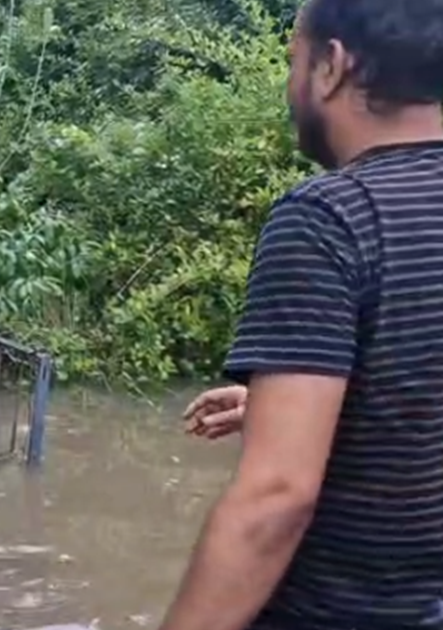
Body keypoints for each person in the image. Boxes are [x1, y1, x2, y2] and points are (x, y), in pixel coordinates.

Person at [160, 1, 443, 630]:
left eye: (293, 62)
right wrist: (304, 410)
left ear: (332, 66)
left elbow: (276, 501)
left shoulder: (330, 218)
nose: (290, 87)